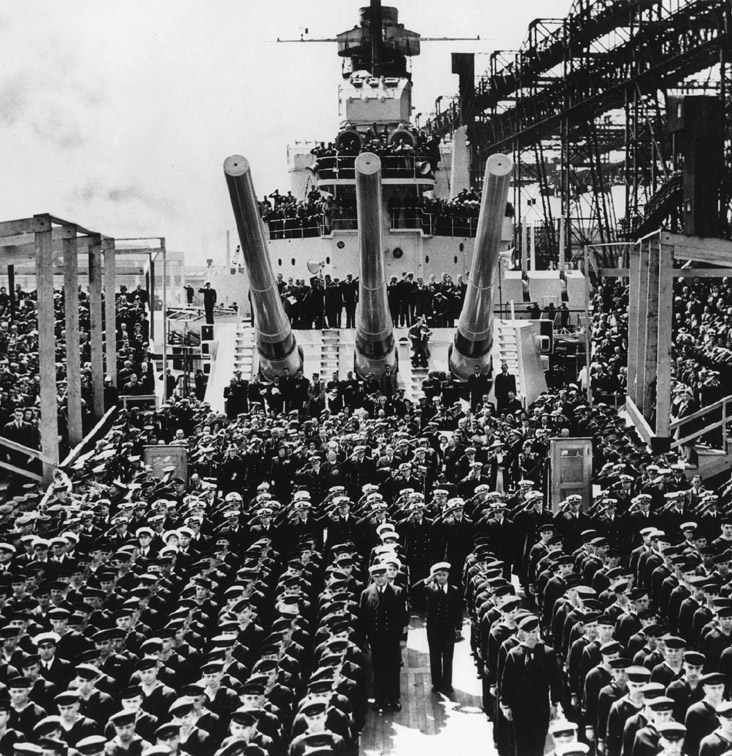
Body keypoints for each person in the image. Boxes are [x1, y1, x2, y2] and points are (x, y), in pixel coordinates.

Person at [499, 615, 562, 756]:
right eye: (528, 632)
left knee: (538, 746)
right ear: (521, 633)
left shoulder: (548, 653)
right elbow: (506, 682)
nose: (531, 636)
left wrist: (555, 704)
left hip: (541, 708)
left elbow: (555, 681)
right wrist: (506, 706)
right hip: (520, 709)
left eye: (534, 632)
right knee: (522, 746)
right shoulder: (514, 654)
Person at [358, 563, 408, 714]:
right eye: (376, 576)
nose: (379, 579)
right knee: (378, 669)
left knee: (393, 668)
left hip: (393, 638)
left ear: (387, 575)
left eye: (382, 576)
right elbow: (363, 619)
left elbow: (404, 618)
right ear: (372, 577)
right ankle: (379, 699)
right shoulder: (366, 594)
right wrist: (364, 640)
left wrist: (403, 639)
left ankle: (393, 698)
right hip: (376, 639)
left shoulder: (398, 592)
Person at [415, 562, 463, 695]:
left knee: (448, 657)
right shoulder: (429, 588)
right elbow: (413, 590)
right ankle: (436, 683)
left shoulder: (455, 590)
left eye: (444, 574)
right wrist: (427, 580)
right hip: (434, 628)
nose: (441, 577)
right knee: (435, 656)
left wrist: (458, 628)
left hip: (448, 628)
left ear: (448, 575)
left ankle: (447, 683)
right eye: (439, 575)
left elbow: (458, 611)